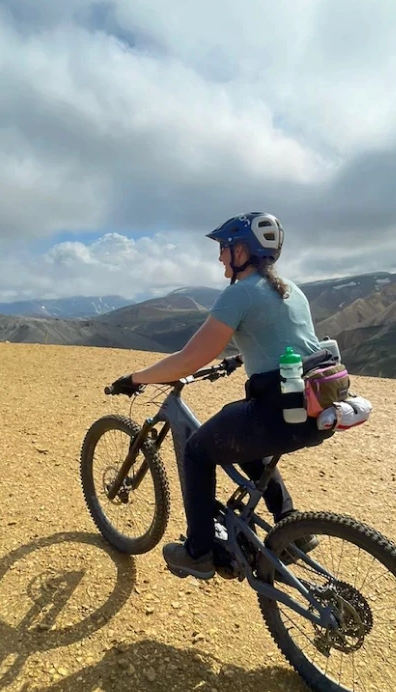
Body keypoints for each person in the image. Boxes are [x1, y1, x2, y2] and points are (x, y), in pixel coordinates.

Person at [109, 212, 335, 579]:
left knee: (198, 450)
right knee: (246, 442)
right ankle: (292, 527)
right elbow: (285, 343)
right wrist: (240, 358)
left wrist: (137, 378)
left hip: (277, 411)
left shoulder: (240, 294)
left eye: (224, 249)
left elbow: (188, 360)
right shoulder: (291, 289)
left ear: (242, 250)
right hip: (311, 411)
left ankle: (198, 552)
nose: (220, 258)